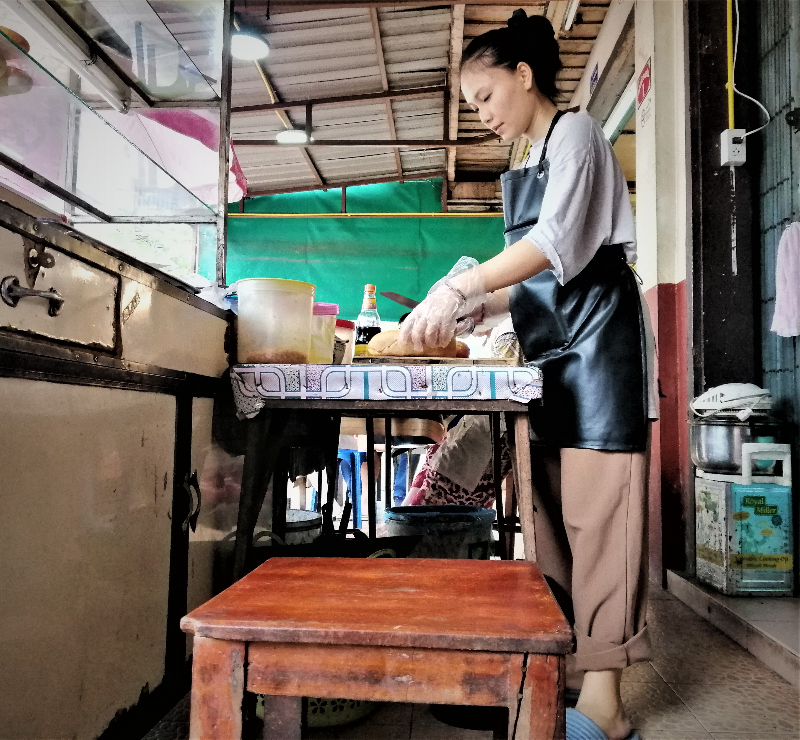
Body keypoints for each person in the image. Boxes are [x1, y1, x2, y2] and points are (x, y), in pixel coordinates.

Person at [399, 10, 656, 740]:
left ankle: (605, 697)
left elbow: (554, 246)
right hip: (549, 352)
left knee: (598, 518)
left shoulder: (575, 132)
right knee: (549, 522)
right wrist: (480, 307)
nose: (480, 114)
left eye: (485, 97)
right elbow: (534, 280)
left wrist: (462, 285)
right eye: (472, 104)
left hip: (601, 346)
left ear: (524, 75)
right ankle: (568, 671)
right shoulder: (524, 160)